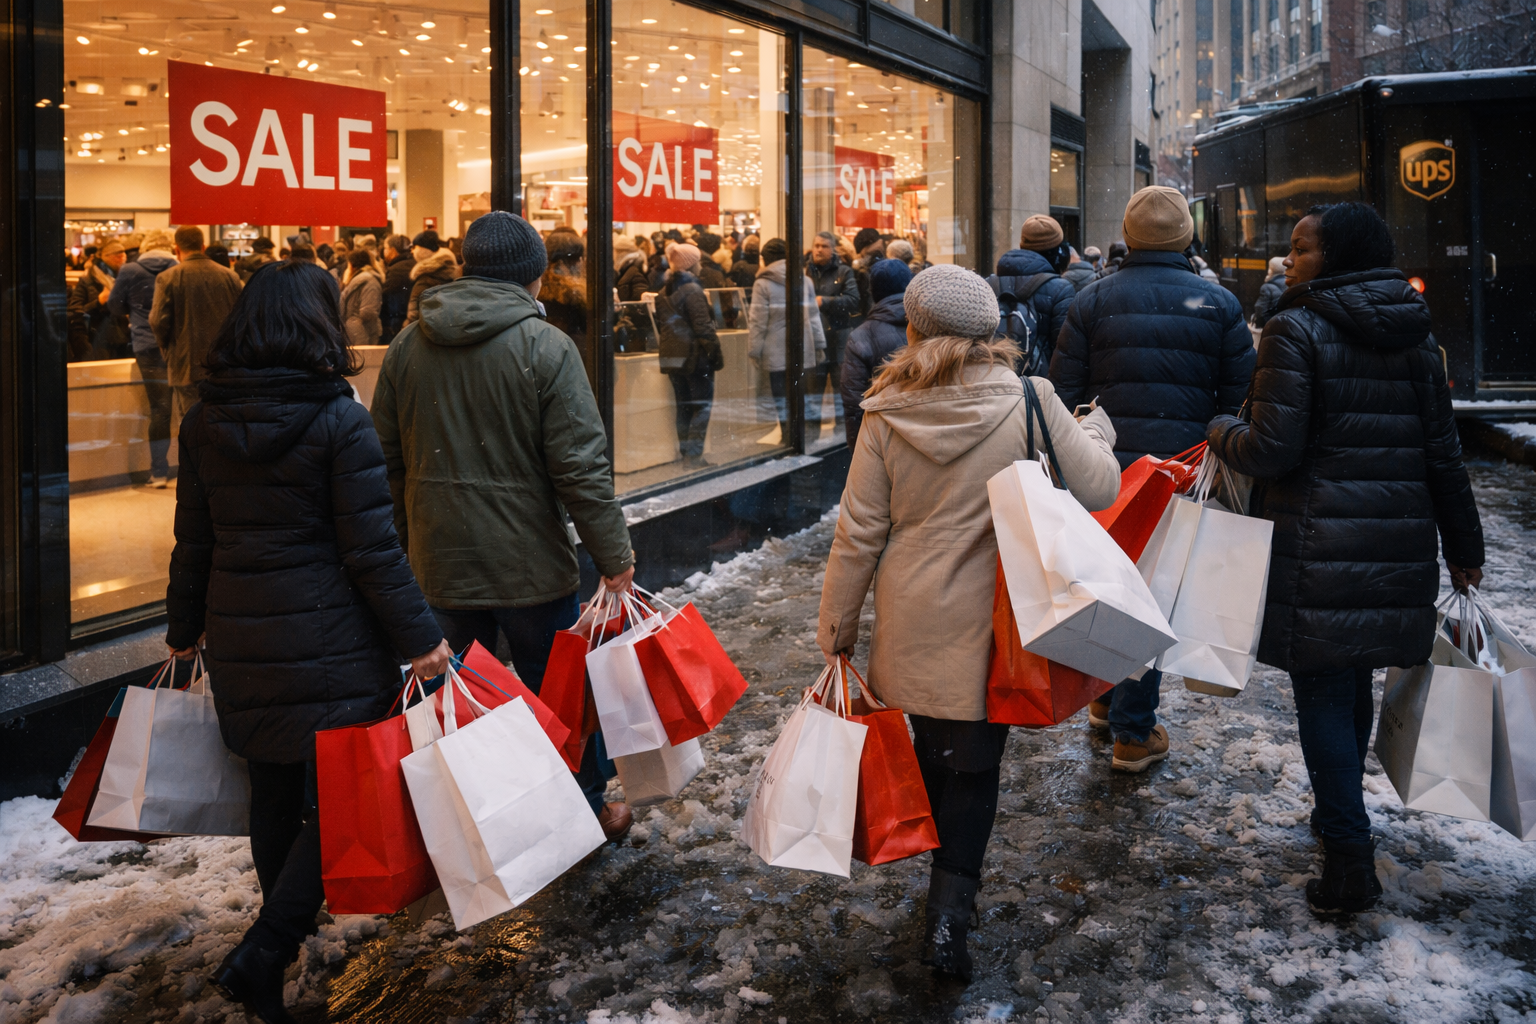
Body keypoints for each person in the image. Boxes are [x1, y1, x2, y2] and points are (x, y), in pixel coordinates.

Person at [164, 259, 450, 1024]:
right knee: (349, 800)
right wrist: (422, 639)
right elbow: (371, 549)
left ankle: (271, 946)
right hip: (329, 637)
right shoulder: (338, 418)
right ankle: (267, 948)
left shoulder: (203, 419)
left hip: (239, 633)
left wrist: (182, 628)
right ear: (318, 324)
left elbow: (194, 537)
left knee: (276, 792)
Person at [817, 264, 1120, 981]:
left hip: (913, 612)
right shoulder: (1029, 399)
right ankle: (949, 920)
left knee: (936, 748)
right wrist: (1097, 429)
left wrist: (837, 627)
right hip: (998, 620)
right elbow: (1101, 487)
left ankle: (938, 870)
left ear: (915, 329)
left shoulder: (886, 408)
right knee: (976, 767)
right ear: (992, 331)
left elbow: (859, 530)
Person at [1205, 202, 1484, 917]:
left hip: (1318, 546)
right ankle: (1340, 821)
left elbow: (1272, 449)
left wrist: (1221, 429)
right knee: (1348, 679)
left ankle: (1348, 857)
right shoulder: (1417, 336)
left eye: (1300, 249)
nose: (1288, 260)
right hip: (1395, 543)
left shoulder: (1295, 329)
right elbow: (1443, 452)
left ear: (1336, 256)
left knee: (1326, 690)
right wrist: (1465, 547)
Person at [370, 211, 637, 840]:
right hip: (530, 563)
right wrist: (614, 555)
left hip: (440, 560)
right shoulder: (546, 348)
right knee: (558, 691)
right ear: (535, 278)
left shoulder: (409, 344)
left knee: (457, 699)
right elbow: (580, 467)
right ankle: (585, 803)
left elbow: (383, 458)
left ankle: (474, 820)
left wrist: (407, 544)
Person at [1051, 185, 1254, 773]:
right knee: (1153, 592)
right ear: (1185, 239)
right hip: (1178, 475)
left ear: (1129, 235)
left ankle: (1108, 700)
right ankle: (1133, 733)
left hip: (1104, 472)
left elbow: (1065, 395)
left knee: (1111, 584)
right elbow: (1238, 401)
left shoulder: (1091, 300)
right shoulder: (1218, 305)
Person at [150, 225, 244, 440]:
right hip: (223, 364)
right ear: (203, 246)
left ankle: (198, 471)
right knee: (223, 421)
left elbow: (157, 321)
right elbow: (242, 317)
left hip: (186, 365)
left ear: (176, 248)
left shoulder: (168, 277)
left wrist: (168, 350)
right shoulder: (229, 276)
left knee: (192, 424)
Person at [108, 231, 179, 487]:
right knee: (184, 409)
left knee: (159, 410)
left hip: (147, 345)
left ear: (146, 248)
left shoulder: (129, 270)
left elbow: (114, 305)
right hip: (177, 345)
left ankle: (159, 472)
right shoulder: (179, 268)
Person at [747, 238, 826, 443]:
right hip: (803, 347)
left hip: (775, 351)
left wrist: (754, 350)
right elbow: (813, 316)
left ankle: (787, 437)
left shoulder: (762, 283)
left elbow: (757, 322)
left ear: (766, 259)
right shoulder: (804, 279)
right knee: (801, 395)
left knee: (781, 397)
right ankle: (803, 437)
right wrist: (819, 344)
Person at [654, 243, 722, 467]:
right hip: (695, 358)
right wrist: (715, 354)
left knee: (682, 407)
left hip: (672, 357)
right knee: (700, 406)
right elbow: (703, 327)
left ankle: (686, 454)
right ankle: (694, 457)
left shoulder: (664, 290)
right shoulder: (692, 290)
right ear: (692, 264)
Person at [988, 214, 1077, 372]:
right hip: (1039, 388)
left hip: (995, 379)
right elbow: (1065, 351)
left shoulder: (989, 283)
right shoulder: (1061, 289)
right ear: (1057, 253)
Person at [840, 258, 912, 450]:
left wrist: (858, 451)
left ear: (872, 292)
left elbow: (854, 403)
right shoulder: (930, 324)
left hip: (884, 440)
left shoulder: (861, 336)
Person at [806, 231, 861, 440]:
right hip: (814, 341)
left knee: (840, 392)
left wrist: (825, 301)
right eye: (816, 245)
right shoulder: (805, 272)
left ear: (833, 250)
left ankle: (841, 439)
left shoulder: (844, 272)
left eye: (824, 246)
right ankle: (810, 439)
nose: (819, 249)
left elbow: (853, 300)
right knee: (813, 393)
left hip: (838, 339)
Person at [68, 238, 129, 361]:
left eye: (123, 254)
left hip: (124, 340)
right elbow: (74, 313)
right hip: (98, 343)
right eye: (117, 254)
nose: (122, 257)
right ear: (104, 257)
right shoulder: (88, 281)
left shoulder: (128, 278)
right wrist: (99, 301)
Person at [539, 232, 588, 361]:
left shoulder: (537, 289)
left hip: (544, 357)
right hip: (574, 358)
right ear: (576, 261)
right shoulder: (576, 294)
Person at [405, 230, 459, 326]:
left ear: (423, 250)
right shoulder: (448, 271)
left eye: (415, 247)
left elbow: (414, 315)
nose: (412, 251)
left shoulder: (425, 279)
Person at [338, 249, 384, 346]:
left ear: (351, 265)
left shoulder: (369, 281)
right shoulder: (359, 281)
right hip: (356, 334)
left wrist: (353, 322)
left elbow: (369, 312)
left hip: (363, 335)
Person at [378, 235, 415, 343]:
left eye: (385, 248)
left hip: (397, 320)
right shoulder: (413, 263)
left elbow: (388, 294)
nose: (383, 252)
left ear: (392, 250)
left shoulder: (396, 269)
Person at [1252, 255, 1287, 326]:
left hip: (1272, 326)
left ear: (1271, 270)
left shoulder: (1267, 287)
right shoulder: (1291, 283)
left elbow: (1260, 310)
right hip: (1286, 324)